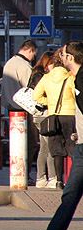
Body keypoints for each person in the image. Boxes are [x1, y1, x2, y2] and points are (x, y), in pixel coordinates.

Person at [26, 41, 83, 230]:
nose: (61, 56)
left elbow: (35, 95)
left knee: (69, 193)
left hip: (77, 138)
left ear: (71, 58)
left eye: (64, 54)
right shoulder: (72, 79)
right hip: (80, 143)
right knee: (69, 195)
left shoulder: (79, 79)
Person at [34, 46, 76, 189]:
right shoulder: (69, 77)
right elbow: (75, 94)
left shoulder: (46, 78)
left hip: (53, 116)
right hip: (69, 115)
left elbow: (36, 96)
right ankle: (72, 179)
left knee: (56, 150)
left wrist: (49, 103)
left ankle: (58, 180)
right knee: (72, 148)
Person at [3, 40, 38, 168]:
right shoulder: (24, 66)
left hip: (11, 107)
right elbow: (31, 88)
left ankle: (18, 171)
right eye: (33, 54)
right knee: (30, 143)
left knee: (17, 143)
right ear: (30, 50)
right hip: (24, 108)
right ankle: (25, 172)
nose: (33, 58)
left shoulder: (9, 63)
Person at [30, 51, 56, 188]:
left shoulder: (35, 73)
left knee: (44, 147)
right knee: (50, 146)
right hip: (44, 114)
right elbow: (38, 95)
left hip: (38, 115)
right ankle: (51, 177)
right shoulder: (43, 76)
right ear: (48, 63)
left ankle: (41, 178)